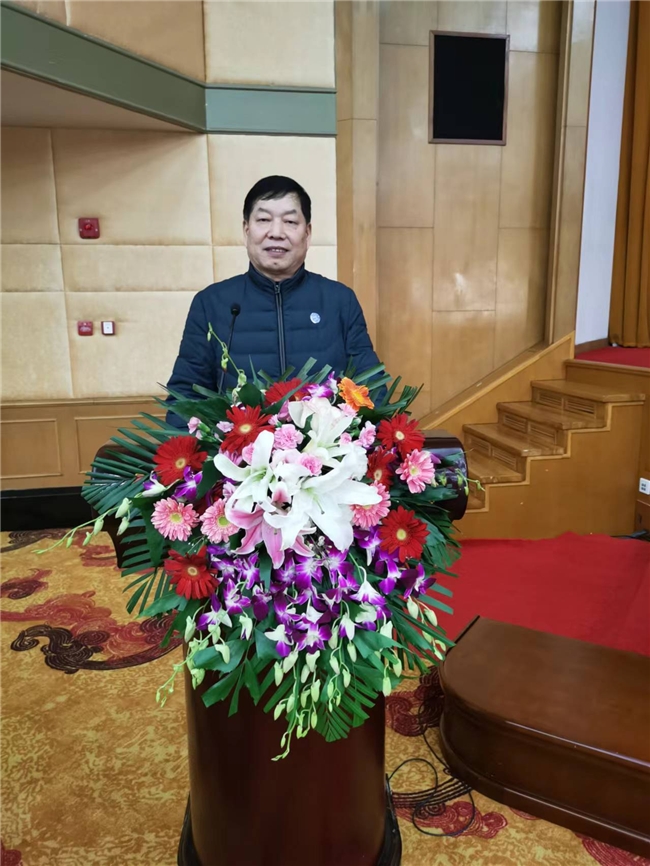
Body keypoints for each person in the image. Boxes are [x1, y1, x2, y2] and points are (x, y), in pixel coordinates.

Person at [165, 175, 381, 426]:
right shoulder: (211, 304)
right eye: (264, 220)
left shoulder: (339, 301)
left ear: (307, 233)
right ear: (246, 230)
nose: (276, 233)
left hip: (326, 448)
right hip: (236, 448)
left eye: (290, 221)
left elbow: (371, 389)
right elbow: (186, 398)